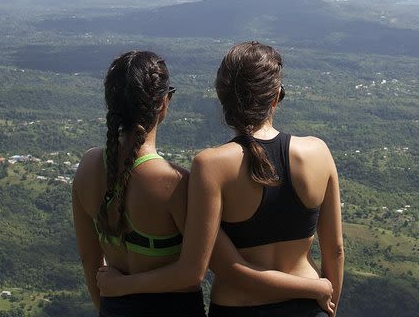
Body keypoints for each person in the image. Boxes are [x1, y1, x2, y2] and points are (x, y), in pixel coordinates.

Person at [74, 50, 333, 317]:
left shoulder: (87, 167)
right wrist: (315, 288)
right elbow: (194, 271)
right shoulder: (174, 184)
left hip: (112, 307)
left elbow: (89, 260)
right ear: (164, 102)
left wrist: (113, 296)